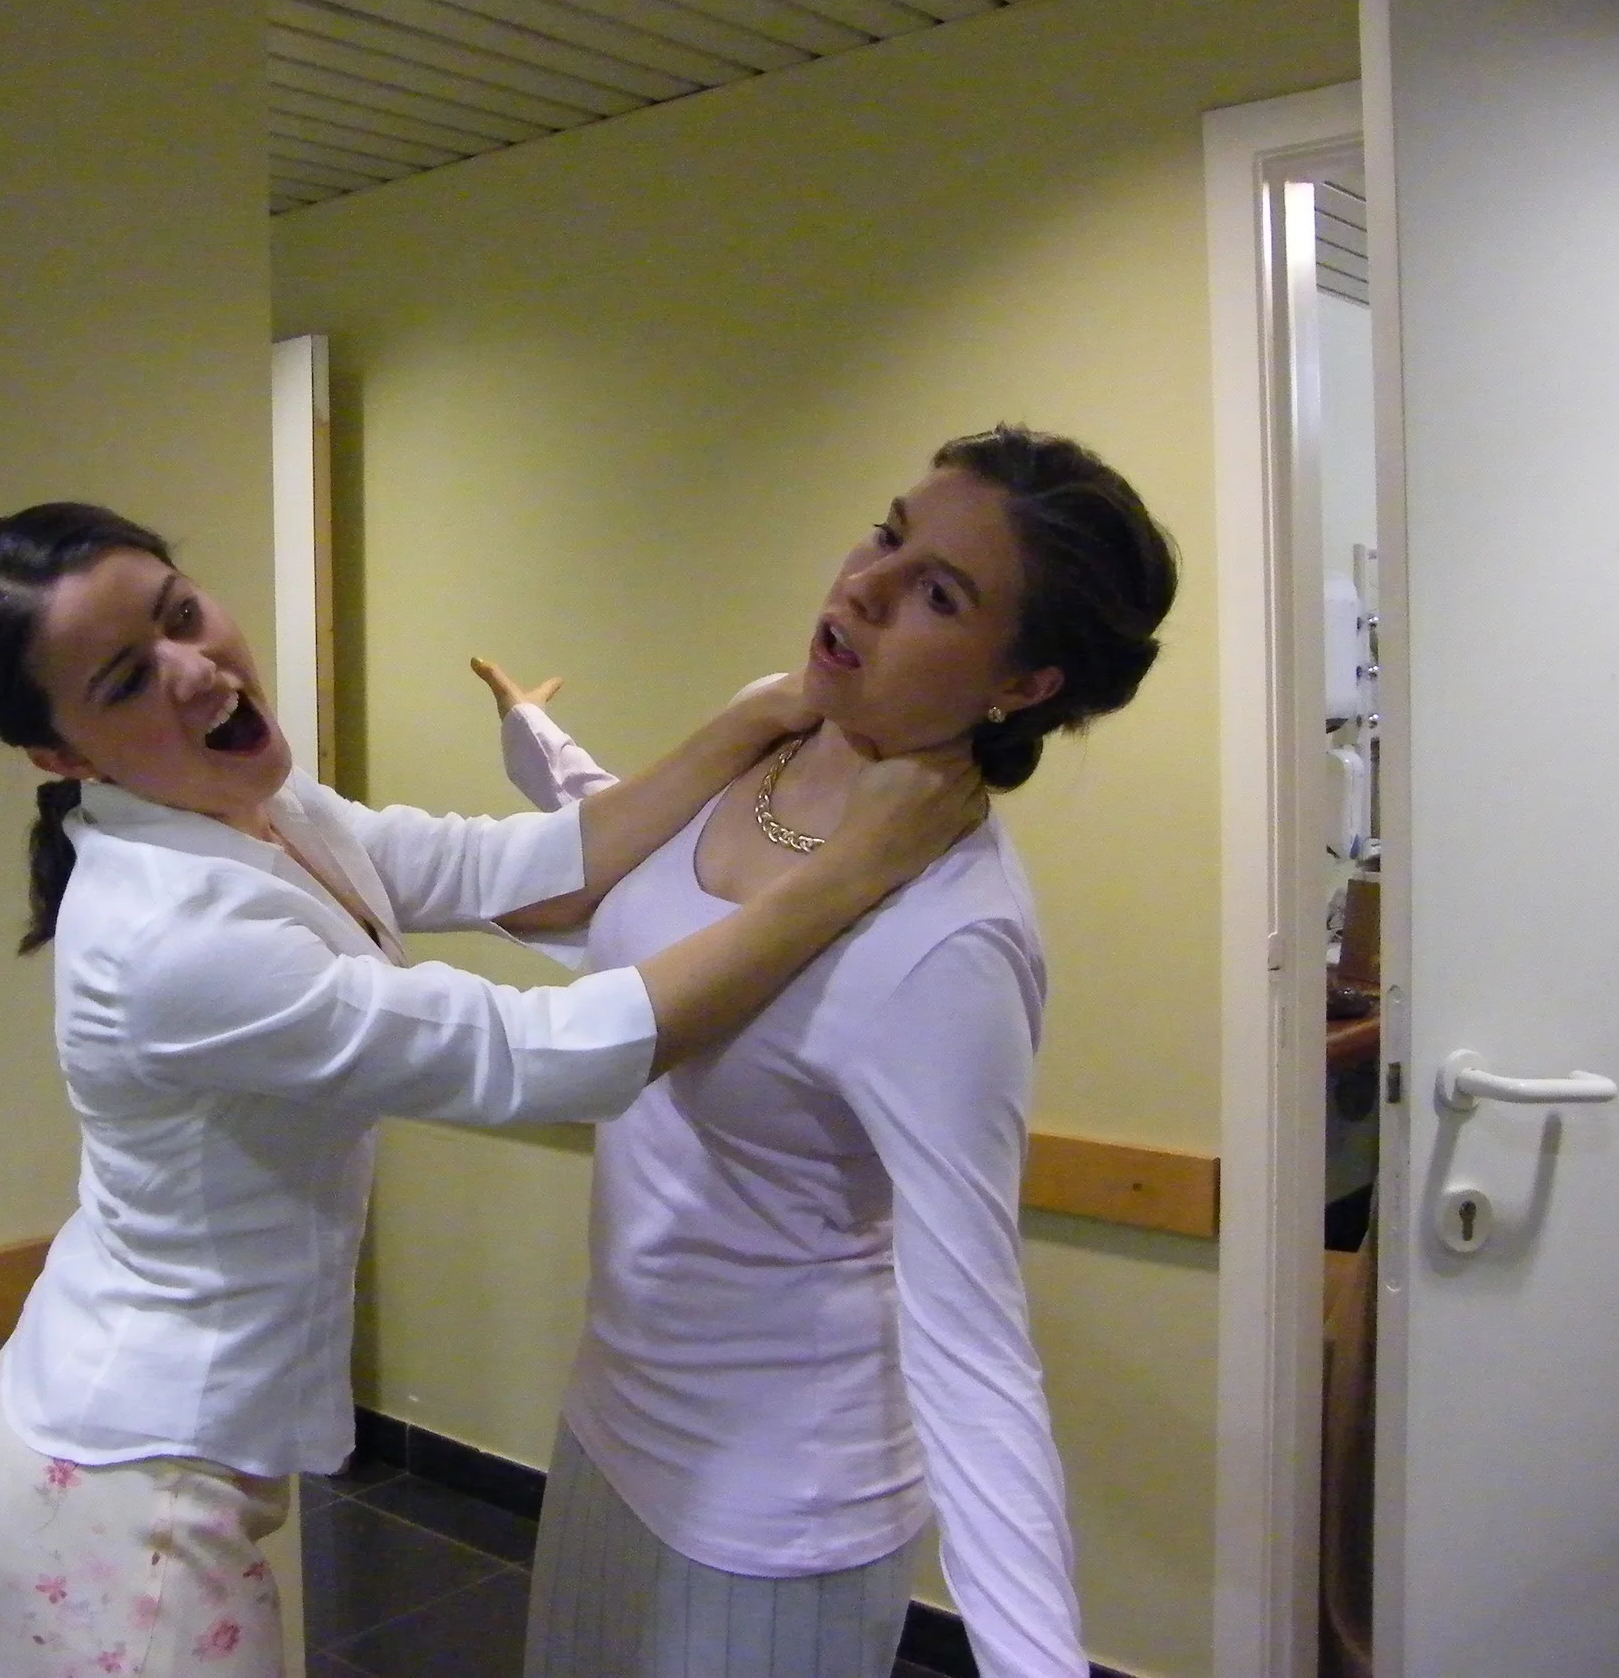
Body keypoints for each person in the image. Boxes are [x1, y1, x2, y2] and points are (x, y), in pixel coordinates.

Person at [0, 502, 986, 1678]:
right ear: (60, 756)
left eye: (183, 614)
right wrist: (858, 864)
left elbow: (512, 869)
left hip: (139, 1440)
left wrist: (747, 722)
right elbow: (546, 1053)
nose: (197, 669)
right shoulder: (171, 935)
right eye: (128, 678)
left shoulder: (252, 817)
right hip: (128, 1489)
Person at [485, 426, 1178, 1678]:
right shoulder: (773, 741)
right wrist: (533, 739)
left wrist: (1035, 1663)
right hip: (610, 1431)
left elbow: (972, 1345)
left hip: (772, 1515)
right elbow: (612, 879)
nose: (864, 584)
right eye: (890, 532)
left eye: (938, 593)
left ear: (1021, 686)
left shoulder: (948, 940)